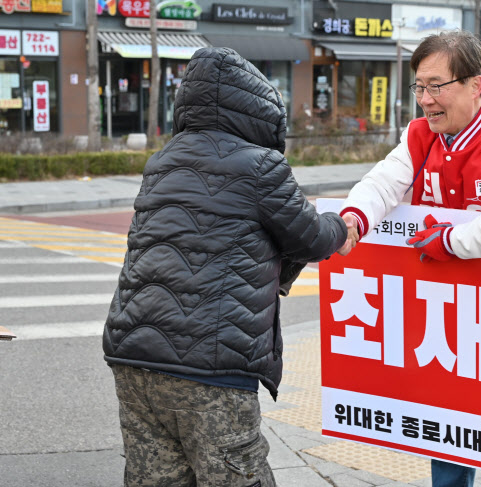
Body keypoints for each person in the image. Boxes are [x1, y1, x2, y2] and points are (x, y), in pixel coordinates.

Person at [102, 47, 347, 487]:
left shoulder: (161, 161)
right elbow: (311, 238)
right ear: (258, 113)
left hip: (132, 357)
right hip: (211, 370)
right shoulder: (260, 166)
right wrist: (342, 225)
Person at [336, 30, 481, 487]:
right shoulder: (419, 137)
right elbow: (383, 183)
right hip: (447, 316)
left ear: (476, 85)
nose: (425, 100)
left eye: (437, 86)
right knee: (448, 427)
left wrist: (450, 241)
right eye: (419, 87)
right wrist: (353, 218)